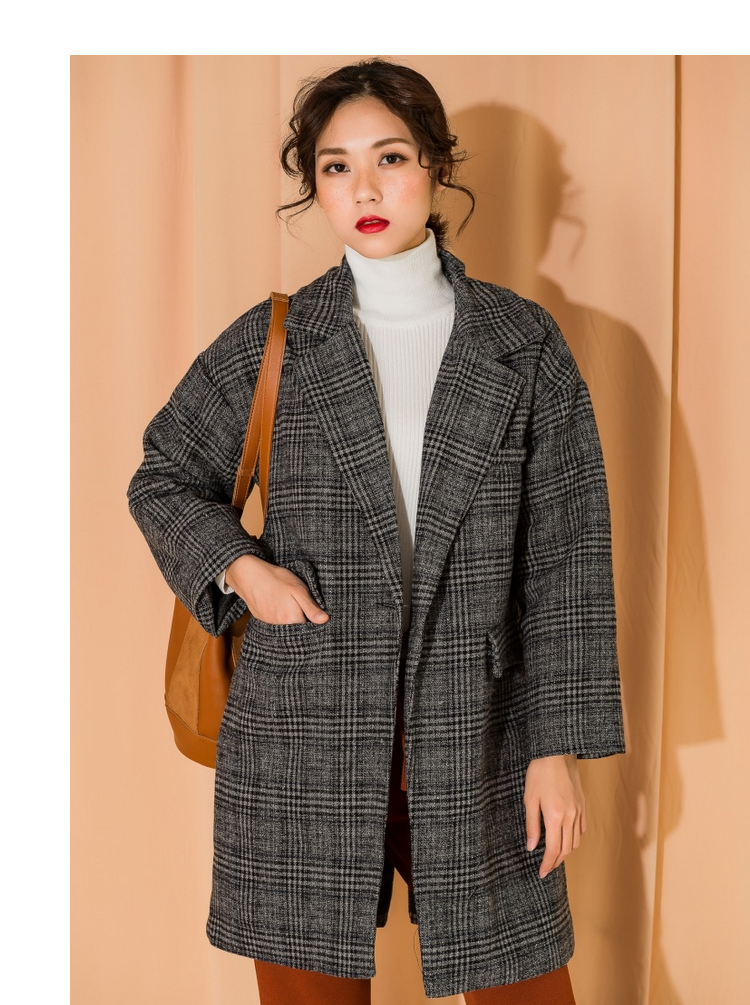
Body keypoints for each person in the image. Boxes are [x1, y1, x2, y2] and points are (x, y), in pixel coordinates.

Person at [128, 59, 626, 1004]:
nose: (364, 188)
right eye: (335, 166)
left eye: (390, 157)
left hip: (481, 733)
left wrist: (555, 748)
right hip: (301, 732)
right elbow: (164, 476)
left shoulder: (522, 343)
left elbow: (567, 563)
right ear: (313, 185)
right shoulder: (275, 339)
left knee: (527, 984)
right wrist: (241, 568)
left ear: (437, 166)